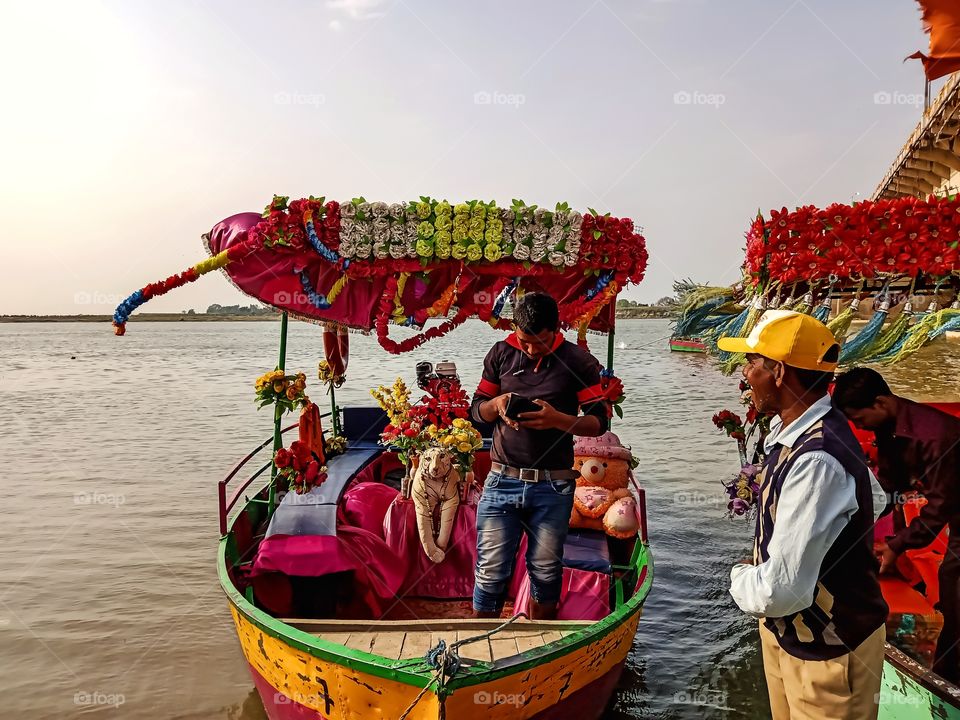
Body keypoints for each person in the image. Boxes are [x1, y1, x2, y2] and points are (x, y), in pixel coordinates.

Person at [720, 310, 888, 720]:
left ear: (778, 371)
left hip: (826, 650)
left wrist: (740, 578)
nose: (746, 373)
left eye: (754, 363)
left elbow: (785, 592)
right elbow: (877, 498)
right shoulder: (805, 431)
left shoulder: (816, 458)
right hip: (794, 636)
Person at [470, 292, 609, 620]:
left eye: (541, 342)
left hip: (554, 486)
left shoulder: (578, 362)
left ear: (556, 330)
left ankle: (538, 646)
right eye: (524, 341)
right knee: (490, 572)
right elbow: (476, 411)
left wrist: (557, 420)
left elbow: (599, 421)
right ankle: (475, 649)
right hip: (501, 481)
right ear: (514, 329)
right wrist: (497, 404)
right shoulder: (501, 353)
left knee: (545, 573)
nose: (531, 349)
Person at [833, 367, 960, 683]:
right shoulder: (889, 429)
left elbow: (940, 507)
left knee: (954, 589)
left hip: (955, 511)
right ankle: (946, 673)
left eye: (860, 420)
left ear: (880, 403)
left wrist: (896, 544)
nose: (859, 427)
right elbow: (890, 488)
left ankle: (946, 680)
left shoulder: (936, 435)